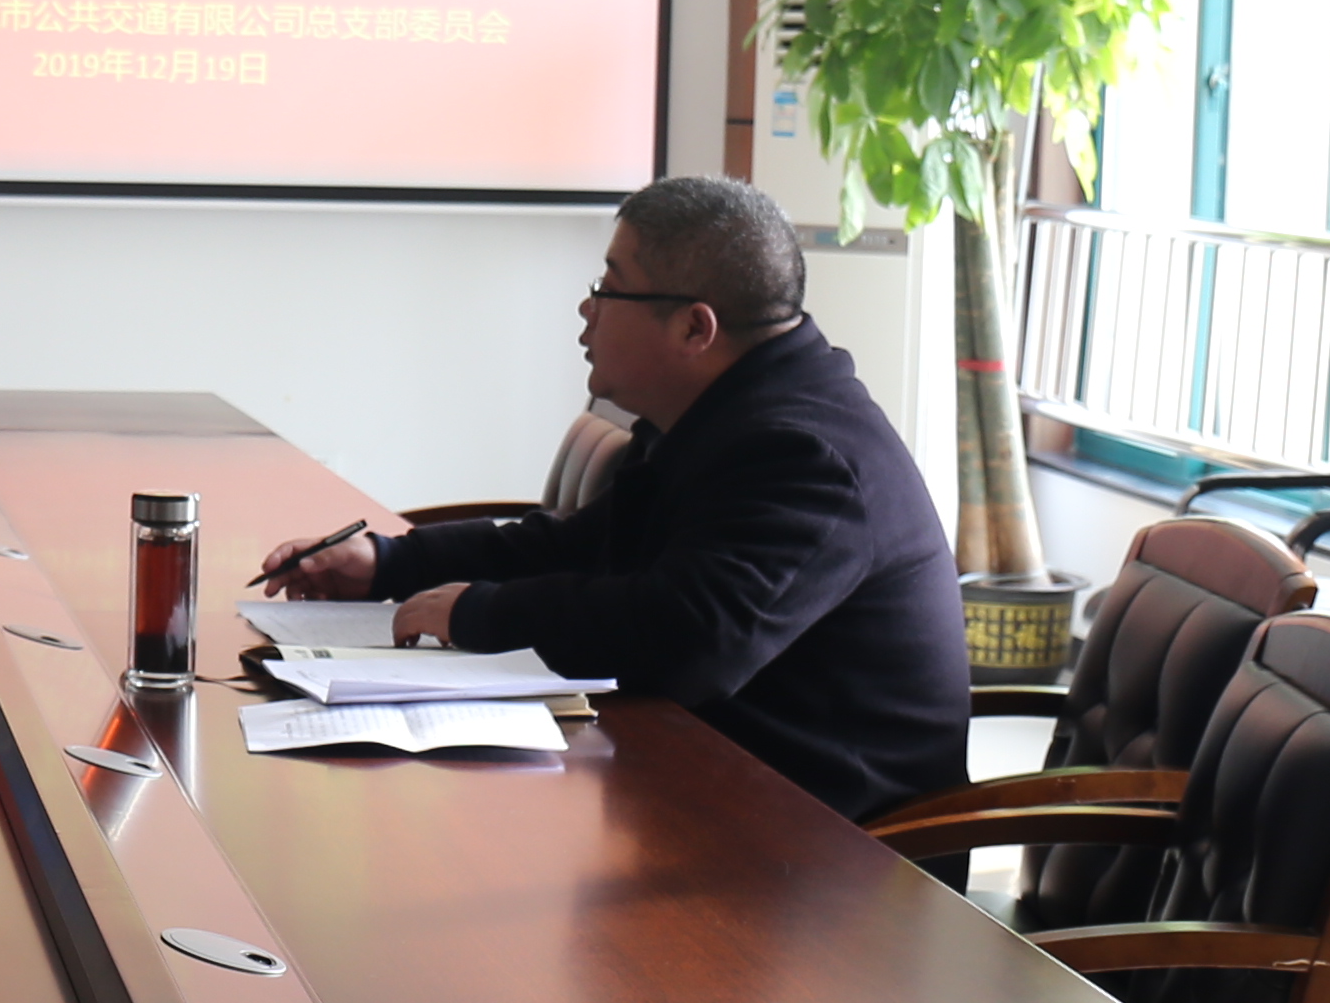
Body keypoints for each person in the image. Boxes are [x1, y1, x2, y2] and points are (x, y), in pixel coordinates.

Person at [261, 174, 968, 821]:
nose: (586, 308)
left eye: (608, 287)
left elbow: (689, 641)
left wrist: (478, 613)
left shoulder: (804, 455)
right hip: (710, 783)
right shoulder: (726, 412)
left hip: (830, 849)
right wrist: (391, 563)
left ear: (694, 328)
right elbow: (583, 543)